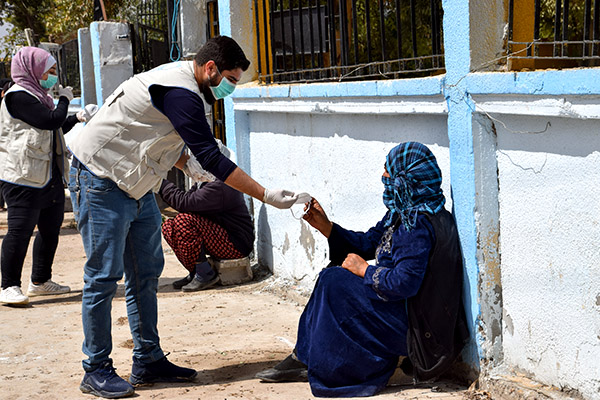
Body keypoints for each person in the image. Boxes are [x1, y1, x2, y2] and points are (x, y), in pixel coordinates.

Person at [67, 35, 298, 399]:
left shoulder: (187, 87)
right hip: (101, 179)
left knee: (145, 273)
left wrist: (184, 163)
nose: (231, 89)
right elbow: (212, 157)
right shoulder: (180, 91)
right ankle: (95, 369)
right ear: (211, 69)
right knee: (103, 277)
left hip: (137, 184)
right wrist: (266, 195)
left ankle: (147, 359)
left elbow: (162, 135)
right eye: (231, 80)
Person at [256, 142, 469, 397]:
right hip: (407, 313)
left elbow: (404, 283)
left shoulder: (418, 225)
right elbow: (369, 241)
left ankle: (329, 364)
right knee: (332, 277)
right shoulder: (404, 213)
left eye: (389, 172)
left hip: (420, 331)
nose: (384, 176)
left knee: (335, 282)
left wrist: (365, 271)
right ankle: (306, 355)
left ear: (406, 180)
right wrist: (327, 227)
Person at [0, 47, 80, 305]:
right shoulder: (18, 97)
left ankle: (40, 281)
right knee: (19, 231)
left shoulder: (39, 96)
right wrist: (66, 101)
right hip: (22, 176)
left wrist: (76, 118)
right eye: (50, 71)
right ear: (31, 69)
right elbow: (49, 120)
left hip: (47, 173)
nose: (53, 76)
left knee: (50, 228)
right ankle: (8, 285)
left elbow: (54, 127)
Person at [159, 166, 255, 291]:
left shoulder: (219, 185)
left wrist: (160, 182)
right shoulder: (203, 182)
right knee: (169, 226)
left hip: (236, 245)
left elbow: (184, 203)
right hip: (220, 237)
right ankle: (196, 271)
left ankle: (205, 274)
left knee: (184, 221)